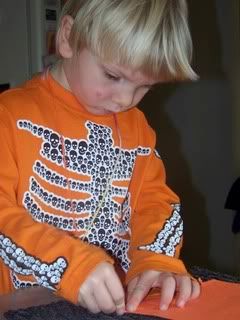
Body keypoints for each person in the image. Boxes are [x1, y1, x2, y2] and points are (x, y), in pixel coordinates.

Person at [0, 0, 200, 315]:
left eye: (145, 86)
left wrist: (156, 260)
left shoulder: (137, 127)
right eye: (112, 75)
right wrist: (71, 264)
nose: (125, 100)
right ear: (66, 38)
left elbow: (154, 200)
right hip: (27, 306)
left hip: (121, 303)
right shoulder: (8, 116)